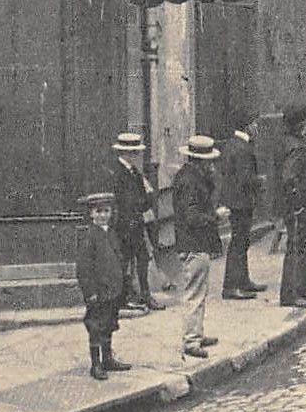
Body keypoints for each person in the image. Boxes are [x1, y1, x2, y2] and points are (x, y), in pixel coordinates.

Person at [171, 136, 225, 359]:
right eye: (208, 161)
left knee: (199, 291)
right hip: (194, 243)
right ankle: (191, 341)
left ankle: (197, 333)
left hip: (195, 242)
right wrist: (216, 216)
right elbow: (192, 217)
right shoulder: (191, 182)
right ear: (200, 161)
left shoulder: (188, 177)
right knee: (194, 292)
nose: (211, 165)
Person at [75, 192, 132, 381]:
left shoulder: (111, 233)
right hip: (98, 292)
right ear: (91, 214)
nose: (102, 215)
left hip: (112, 290)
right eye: (98, 212)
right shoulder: (90, 236)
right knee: (96, 326)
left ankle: (108, 359)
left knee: (109, 324)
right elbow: (83, 268)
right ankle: (96, 364)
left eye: (106, 211)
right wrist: (90, 292)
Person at [107, 132, 163, 313]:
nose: (137, 156)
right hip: (125, 226)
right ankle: (126, 298)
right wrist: (144, 198)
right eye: (134, 152)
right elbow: (130, 201)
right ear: (127, 153)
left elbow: (145, 200)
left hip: (136, 224)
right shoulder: (118, 173)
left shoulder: (134, 173)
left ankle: (143, 295)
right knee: (126, 261)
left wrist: (146, 198)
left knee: (142, 259)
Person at [279, 105, 306, 309]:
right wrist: (297, 205)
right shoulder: (295, 147)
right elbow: (289, 179)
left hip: (303, 206)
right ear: (300, 123)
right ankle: (290, 293)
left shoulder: (296, 143)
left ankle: (301, 287)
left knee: (303, 246)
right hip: (298, 207)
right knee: (296, 247)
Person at [216, 111, 264, 300]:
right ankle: (231, 285)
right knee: (238, 242)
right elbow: (245, 179)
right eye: (255, 124)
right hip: (241, 201)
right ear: (248, 126)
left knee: (242, 241)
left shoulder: (232, 144)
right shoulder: (243, 148)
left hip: (235, 200)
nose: (257, 127)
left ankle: (243, 281)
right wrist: (259, 181)